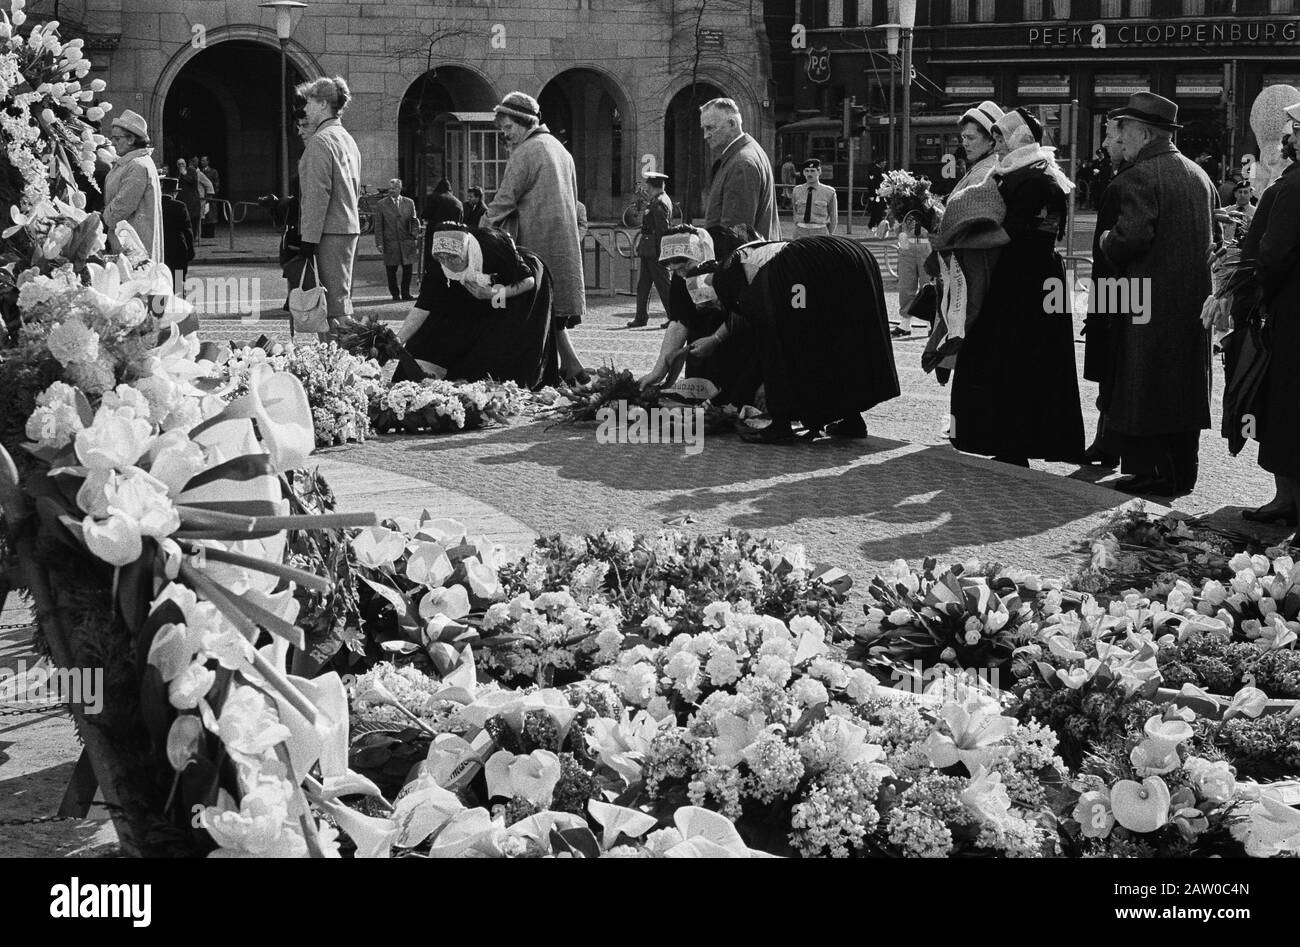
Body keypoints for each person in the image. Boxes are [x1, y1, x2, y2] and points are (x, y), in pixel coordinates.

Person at [638, 224, 900, 444]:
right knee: (836, 338)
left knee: (787, 343)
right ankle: (850, 417)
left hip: (804, 265)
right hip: (848, 257)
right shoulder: (735, 265)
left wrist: (751, 397)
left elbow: (769, 341)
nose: (718, 311)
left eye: (713, 305)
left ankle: (781, 424)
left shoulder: (729, 277)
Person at [948, 107, 1084, 466]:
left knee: (1024, 360)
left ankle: (1018, 443)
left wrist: (966, 238)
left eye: (1001, 139)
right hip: (1022, 276)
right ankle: (1005, 439)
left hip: (1032, 280)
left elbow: (1020, 232)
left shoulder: (1038, 178)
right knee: (1007, 359)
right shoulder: (1022, 172)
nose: (998, 146)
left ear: (1017, 140)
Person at [1098, 92, 1216, 496]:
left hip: (1147, 304)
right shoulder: (1198, 175)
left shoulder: (1139, 175)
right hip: (1193, 304)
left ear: (1145, 133)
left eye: (1125, 130)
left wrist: (1105, 241)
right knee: (1183, 388)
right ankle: (1182, 474)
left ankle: (1153, 473)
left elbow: (1131, 237)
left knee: (1145, 386)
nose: (1121, 138)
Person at [483, 91, 588, 384]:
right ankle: (571, 363)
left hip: (536, 244)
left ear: (524, 122)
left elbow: (504, 200)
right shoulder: (559, 149)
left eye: (509, 128)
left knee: (532, 309)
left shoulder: (526, 152)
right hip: (561, 243)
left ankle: (533, 374)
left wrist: (479, 232)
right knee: (554, 311)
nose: (507, 136)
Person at [393, 224, 556, 389]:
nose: (448, 264)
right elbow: (423, 307)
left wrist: (491, 293)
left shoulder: (492, 246)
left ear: (467, 251)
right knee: (433, 332)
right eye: (442, 258)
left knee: (501, 340)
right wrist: (398, 340)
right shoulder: (438, 266)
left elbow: (528, 281)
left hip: (513, 287)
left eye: (453, 258)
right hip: (473, 292)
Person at [1239, 102, 1300, 531]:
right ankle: (1286, 499)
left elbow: (1275, 253)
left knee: (1286, 404)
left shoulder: (1296, 186)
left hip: (1291, 310)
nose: (1289, 137)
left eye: (1295, 129)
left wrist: (1257, 291)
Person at [925, 100, 1007, 375]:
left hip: (972, 276)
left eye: (971, 138)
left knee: (969, 358)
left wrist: (945, 232)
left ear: (992, 141)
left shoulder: (987, 172)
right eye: (963, 138)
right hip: (965, 272)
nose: (965, 143)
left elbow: (973, 220)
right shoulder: (978, 167)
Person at [295, 75, 362, 339]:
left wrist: (308, 239)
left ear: (323, 104)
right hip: (346, 226)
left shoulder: (320, 141)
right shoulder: (345, 138)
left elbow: (316, 195)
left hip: (328, 232)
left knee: (332, 308)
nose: (306, 109)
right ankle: (344, 363)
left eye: (309, 103)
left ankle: (352, 363)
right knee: (338, 302)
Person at [1081, 119, 1129, 468]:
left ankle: (1107, 441)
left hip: (1115, 291)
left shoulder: (1122, 184)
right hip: (1120, 291)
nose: (1105, 146)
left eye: (1110, 139)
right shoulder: (1121, 179)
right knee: (1112, 367)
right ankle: (1106, 439)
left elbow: (1108, 252)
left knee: (1112, 366)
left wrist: (1100, 307)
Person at [700, 97, 781, 241]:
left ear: (732, 123)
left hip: (746, 261)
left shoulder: (741, 164)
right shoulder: (747, 152)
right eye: (704, 129)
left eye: (710, 128)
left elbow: (734, 237)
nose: (705, 135)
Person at [103, 109, 164, 262]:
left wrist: (102, 218)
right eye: (112, 138)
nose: (113, 143)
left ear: (131, 139)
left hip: (134, 246)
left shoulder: (137, 165)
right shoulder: (131, 162)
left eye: (117, 138)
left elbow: (121, 208)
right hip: (128, 242)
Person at [627, 171, 674, 328]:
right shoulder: (658, 200)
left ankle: (674, 317)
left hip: (655, 250)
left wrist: (663, 251)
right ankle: (640, 317)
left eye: (648, 185)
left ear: (652, 186)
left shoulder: (659, 203)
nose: (646, 187)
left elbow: (662, 229)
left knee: (663, 285)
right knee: (644, 285)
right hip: (649, 249)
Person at [375, 177, 421, 302]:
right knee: (391, 270)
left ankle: (405, 293)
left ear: (400, 189)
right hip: (391, 242)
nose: (391, 191)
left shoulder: (409, 202)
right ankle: (395, 294)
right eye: (389, 188)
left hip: (407, 241)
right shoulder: (381, 204)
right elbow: (378, 225)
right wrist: (379, 243)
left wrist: (416, 237)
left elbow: (414, 222)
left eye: (394, 188)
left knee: (407, 269)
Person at [158, 176, 194, 294]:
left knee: (160, 284)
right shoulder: (180, 206)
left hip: (160, 249)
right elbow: (187, 231)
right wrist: (190, 251)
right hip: (178, 250)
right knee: (178, 284)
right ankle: (178, 308)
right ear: (174, 192)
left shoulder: (156, 205)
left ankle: (158, 310)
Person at [791, 158, 837, 238]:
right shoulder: (797, 190)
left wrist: (828, 235)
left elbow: (833, 217)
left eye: (812, 171)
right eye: (807, 171)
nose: (809, 174)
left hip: (820, 232)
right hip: (800, 232)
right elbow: (795, 212)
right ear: (804, 173)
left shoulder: (829, 192)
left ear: (819, 172)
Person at [174, 157, 203, 237]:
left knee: (193, 220)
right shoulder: (177, 173)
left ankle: (193, 238)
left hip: (192, 201)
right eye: (179, 164)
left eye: (182, 163)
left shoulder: (191, 171)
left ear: (185, 164)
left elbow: (194, 183)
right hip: (181, 200)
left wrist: (185, 174)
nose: (181, 165)